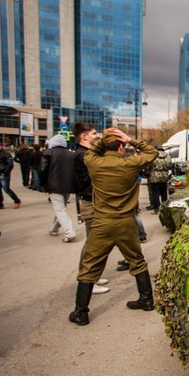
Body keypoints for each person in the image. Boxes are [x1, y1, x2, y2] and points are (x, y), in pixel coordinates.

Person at [69, 128, 157, 326]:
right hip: (126, 222)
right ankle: (147, 300)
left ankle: (80, 312)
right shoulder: (130, 164)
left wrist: (104, 138)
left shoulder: (94, 162)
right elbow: (152, 153)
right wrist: (129, 139)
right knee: (137, 261)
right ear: (120, 147)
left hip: (102, 223)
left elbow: (91, 151)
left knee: (89, 266)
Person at [73, 123, 110, 294]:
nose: (98, 136)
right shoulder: (83, 156)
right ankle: (87, 280)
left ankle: (91, 277)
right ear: (84, 136)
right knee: (92, 246)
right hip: (92, 203)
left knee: (96, 244)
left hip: (94, 202)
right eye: (95, 133)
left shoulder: (86, 154)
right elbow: (92, 181)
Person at [40, 135, 77, 243]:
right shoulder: (71, 154)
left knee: (60, 209)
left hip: (53, 185)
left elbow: (42, 170)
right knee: (61, 209)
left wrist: (43, 185)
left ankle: (70, 232)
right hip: (68, 186)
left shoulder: (48, 152)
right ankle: (54, 229)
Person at [0, 141, 21, 209]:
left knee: (6, 189)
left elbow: (10, 164)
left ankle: (16, 200)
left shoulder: (6, 154)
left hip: (3, 174)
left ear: (0, 146)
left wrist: (5, 172)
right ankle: (0, 204)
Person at [145, 146, 172, 213]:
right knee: (164, 192)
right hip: (164, 176)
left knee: (155, 193)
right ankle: (164, 208)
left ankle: (157, 208)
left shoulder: (153, 155)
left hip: (154, 176)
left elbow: (148, 165)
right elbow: (170, 166)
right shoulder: (167, 156)